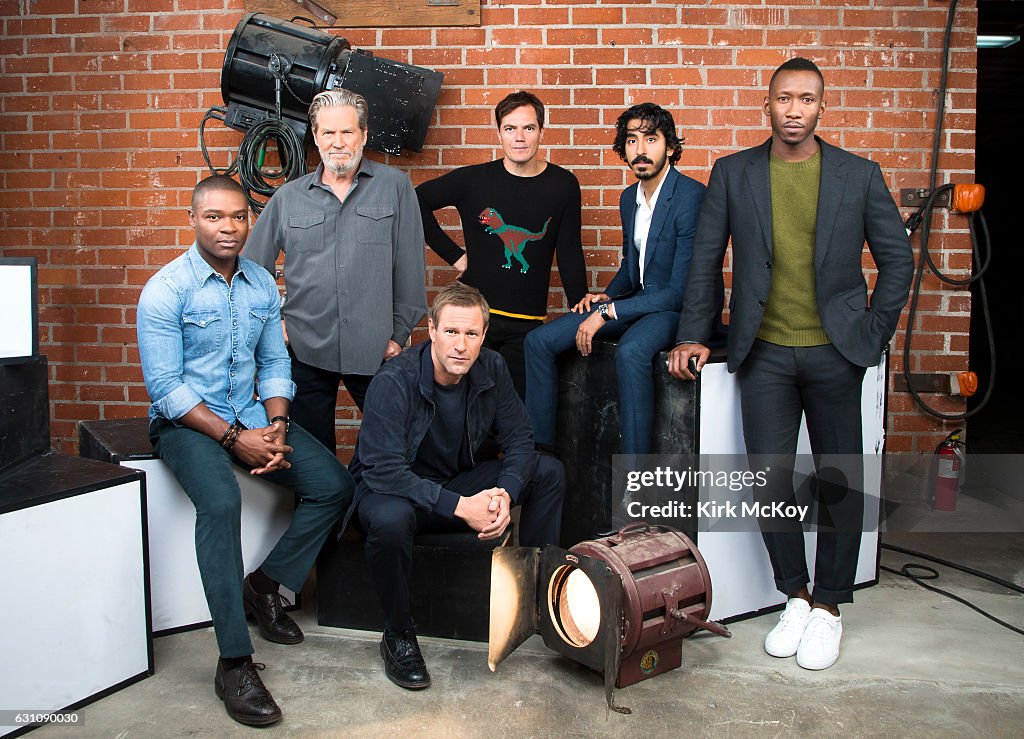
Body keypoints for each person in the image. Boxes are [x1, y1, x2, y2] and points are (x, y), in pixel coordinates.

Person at [668, 58, 914, 671]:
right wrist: (695, 333)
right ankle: (796, 596)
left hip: (837, 354)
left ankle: (830, 607)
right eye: (784, 98)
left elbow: (897, 261)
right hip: (766, 355)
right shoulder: (733, 173)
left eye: (807, 99)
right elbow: (705, 261)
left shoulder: (859, 176)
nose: (795, 110)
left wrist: (872, 334)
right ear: (768, 105)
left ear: (821, 108)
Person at [137, 175, 354, 725]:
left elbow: (275, 363)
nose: (228, 227)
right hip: (186, 425)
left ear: (249, 220)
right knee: (222, 503)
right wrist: (235, 440)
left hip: (253, 418)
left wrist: (277, 427)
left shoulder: (260, 283)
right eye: (214, 217)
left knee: (334, 485)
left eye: (237, 216)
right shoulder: (165, 290)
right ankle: (234, 660)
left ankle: (264, 585)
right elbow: (166, 389)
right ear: (193, 220)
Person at [345, 282, 565, 690]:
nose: (461, 345)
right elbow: (383, 470)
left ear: (483, 334)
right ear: (430, 330)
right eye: (451, 332)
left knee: (547, 471)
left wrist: (505, 494)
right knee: (390, 519)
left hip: (454, 483)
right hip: (395, 492)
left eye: (471, 334)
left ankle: (539, 598)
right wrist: (461, 506)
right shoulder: (395, 380)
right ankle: (398, 634)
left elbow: (519, 440)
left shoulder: (492, 368)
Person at [524, 103, 717, 456]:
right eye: (631, 140)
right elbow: (632, 270)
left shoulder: (691, 196)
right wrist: (604, 298)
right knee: (539, 341)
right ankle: (540, 458)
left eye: (651, 139)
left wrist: (609, 313)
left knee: (630, 352)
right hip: (639, 301)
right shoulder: (630, 198)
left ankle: (636, 482)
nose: (640, 150)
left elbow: (678, 291)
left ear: (670, 147)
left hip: (674, 309)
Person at [245, 89, 427, 453]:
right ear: (315, 136)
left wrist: (399, 333)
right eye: (328, 133)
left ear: (363, 134)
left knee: (396, 449)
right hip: (306, 348)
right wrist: (274, 325)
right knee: (314, 458)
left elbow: (410, 267)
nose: (338, 142)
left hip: (377, 348)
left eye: (347, 132)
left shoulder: (396, 188)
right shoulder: (289, 197)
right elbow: (251, 269)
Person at [416, 91, 586, 397]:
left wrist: (581, 306)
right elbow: (416, 201)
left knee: (513, 413)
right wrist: (456, 257)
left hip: (527, 325)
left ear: (541, 132)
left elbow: (570, 250)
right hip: (474, 322)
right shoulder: (475, 180)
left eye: (528, 128)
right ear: (499, 134)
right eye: (510, 129)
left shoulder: (563, 185)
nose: (519, 137)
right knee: (466, 412)